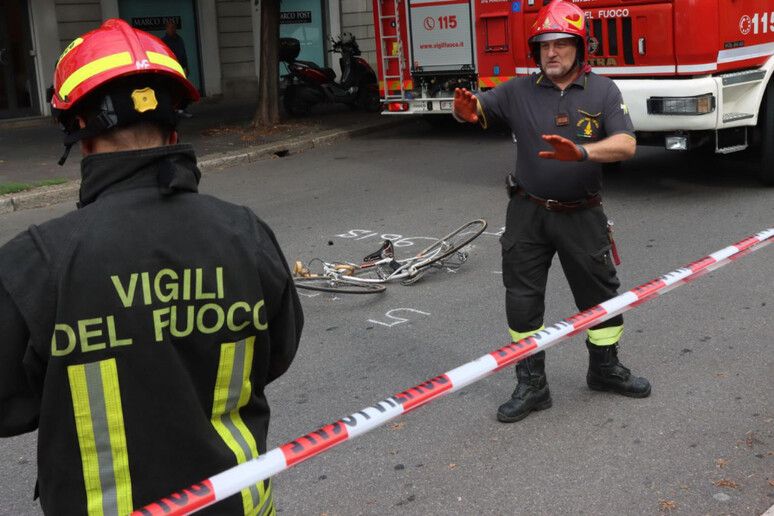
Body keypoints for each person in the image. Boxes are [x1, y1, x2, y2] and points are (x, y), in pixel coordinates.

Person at [0, 18, 302, 515]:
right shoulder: (245, 235)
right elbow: (275, 353)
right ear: (173, 126)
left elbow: (10, 405)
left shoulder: (37, 260)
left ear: (79, 132)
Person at [453, 0, 650, 424]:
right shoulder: (517, 90)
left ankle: (604, 369)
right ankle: (532, 384)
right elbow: (477, 109)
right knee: (522, 300)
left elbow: (627, 144)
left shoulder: (603, 91)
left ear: (579, 47)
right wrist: (464, 111)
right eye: (544, 45)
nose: (552, 52)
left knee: (600, 296)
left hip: (583, 214)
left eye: (561, 43)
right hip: (529, 212)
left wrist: (581, 152)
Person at [162, 19, 192, 118]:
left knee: (183, 89)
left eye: (174, 27)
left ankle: (181, 108)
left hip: (181, 68)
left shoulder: (179, 39)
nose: (173, 29)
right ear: (166, 29)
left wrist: (186, 67)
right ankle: (173, 110)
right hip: (171, 69)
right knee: (171, 90)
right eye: (170, 27)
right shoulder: (164, 41)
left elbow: (183, 53)